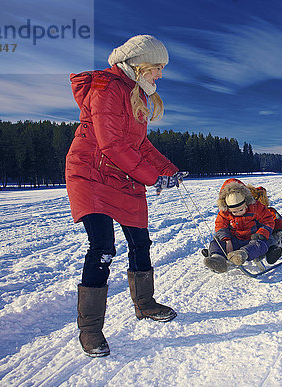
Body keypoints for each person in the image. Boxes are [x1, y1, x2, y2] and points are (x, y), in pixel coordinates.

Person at [66, 35, 187, 358]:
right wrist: (152, 177)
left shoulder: (136, 95)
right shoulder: (105, 89)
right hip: (92, 174)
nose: (160, 75)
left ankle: (144, 304)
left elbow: (140, 145)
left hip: (122, 174)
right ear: (139, 65)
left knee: (141, 242)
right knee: (103, 247)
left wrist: (169, 169)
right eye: (157, 68)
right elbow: (112, 145)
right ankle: (90, 329)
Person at [204, 178, 275, 273]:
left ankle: (242, 255)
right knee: (216, 242)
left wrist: (261, 233)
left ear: (246, 202)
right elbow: (220, 225)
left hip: (252, 239)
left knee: (261, 244)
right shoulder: (224, 212)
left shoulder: (255, 207)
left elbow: (268, 220)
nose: (238, 213)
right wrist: (227, 240)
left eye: (241, 210)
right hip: (235, 239)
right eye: (234, 212)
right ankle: (217, 259)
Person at [247, 185, 282, 264]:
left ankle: (273, 250)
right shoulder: (245, 213)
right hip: (250, 236)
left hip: (270, 234)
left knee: (266, 237)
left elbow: (278, 221)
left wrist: (279, 231)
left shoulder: (269, 211)